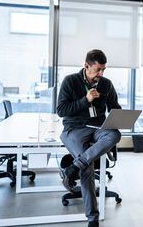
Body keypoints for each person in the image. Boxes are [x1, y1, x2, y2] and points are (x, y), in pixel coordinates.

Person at [57, 49, 121, 227]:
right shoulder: (70, 81)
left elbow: (114, 106)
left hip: (98, 127)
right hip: (74, 128)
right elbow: (61, 110)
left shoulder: (106, 84)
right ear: (87, 66)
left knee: (115, 134)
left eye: (104, 70)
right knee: (88, 164)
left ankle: (73, 167)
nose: (101, 74)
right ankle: (93, 219)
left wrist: (121, 116)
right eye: (98, 69)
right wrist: (85, 100)